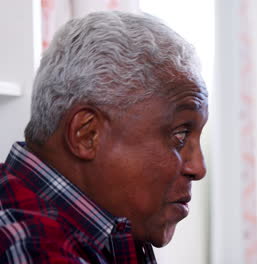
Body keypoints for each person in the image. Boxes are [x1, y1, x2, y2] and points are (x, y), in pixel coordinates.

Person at [0, 11, 208, 263]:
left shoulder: (113, 223)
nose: (198, 168)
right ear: (87, 135)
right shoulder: (27, 249)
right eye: (180, 135)